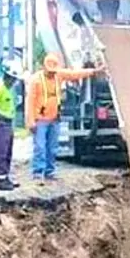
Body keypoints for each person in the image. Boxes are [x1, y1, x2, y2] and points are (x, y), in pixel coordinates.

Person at [25, 53, 102, 182]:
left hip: (54, 119)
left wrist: (93, 71)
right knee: (40, 147)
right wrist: (30, 121)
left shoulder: (58, 75)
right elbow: (30, 102)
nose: (51, 73)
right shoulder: (36, 80)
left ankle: (50, 172)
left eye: (53, 71)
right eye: (50, 71)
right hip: (40, 120)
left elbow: (75, 74)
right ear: (43, 67)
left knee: (53, 147)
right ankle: (38, 173)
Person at [0, 59, 24, 191]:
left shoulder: (7, 88)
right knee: (1, 153)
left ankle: (5, 178)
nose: (14, 82)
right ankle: (0, 181)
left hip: (7, 124)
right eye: (14, 79)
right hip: (1, 125)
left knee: (7, 152)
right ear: (8, 76)